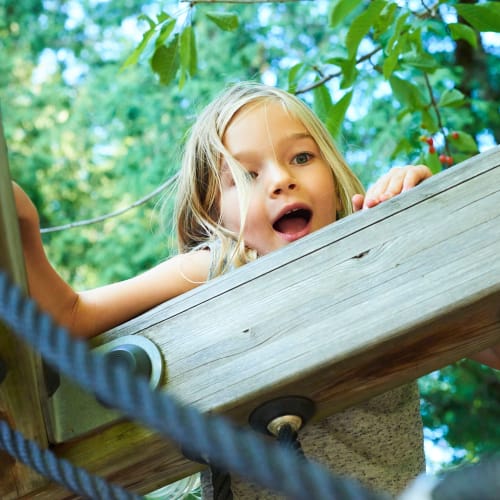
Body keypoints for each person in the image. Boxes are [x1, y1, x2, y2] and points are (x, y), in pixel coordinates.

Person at [13, 81, 499, 497]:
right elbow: (71, 316)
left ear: (331, 174)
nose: (282, 180)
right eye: (246, 175)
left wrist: (430, 236)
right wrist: (24, 232)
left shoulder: (378, 252)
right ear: (213, 212)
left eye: (302, 157)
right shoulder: (216, 267)